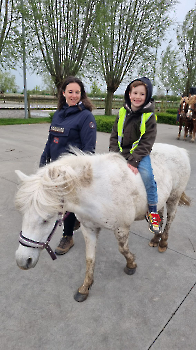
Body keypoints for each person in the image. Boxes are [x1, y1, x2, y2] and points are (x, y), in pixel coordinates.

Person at [39, 76, 97, 254]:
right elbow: (51, 141)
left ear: (81, 94)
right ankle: (75, 220)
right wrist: (43, 162)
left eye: (77, 92)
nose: (73, 95)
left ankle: (68, 236)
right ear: (63, 93)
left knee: (67, 203)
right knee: (59, 202)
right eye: (70, 92)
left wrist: (78, 172)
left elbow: (88, 150)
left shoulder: (86, 117)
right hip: (55, 167)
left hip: (73, 171)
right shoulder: (58, 114)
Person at [109, 77, 161, 234]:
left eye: (142, 94)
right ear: (129, 94)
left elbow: (147, 141)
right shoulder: (122, 112)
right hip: (120, 151)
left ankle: (153, 210)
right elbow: (114, 134)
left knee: (147, 176)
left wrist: (134, 160)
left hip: (139, 152)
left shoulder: (149, 116)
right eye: (135, 93)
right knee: (107, 174)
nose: (138, 97)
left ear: (147, 96)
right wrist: (113, 154)